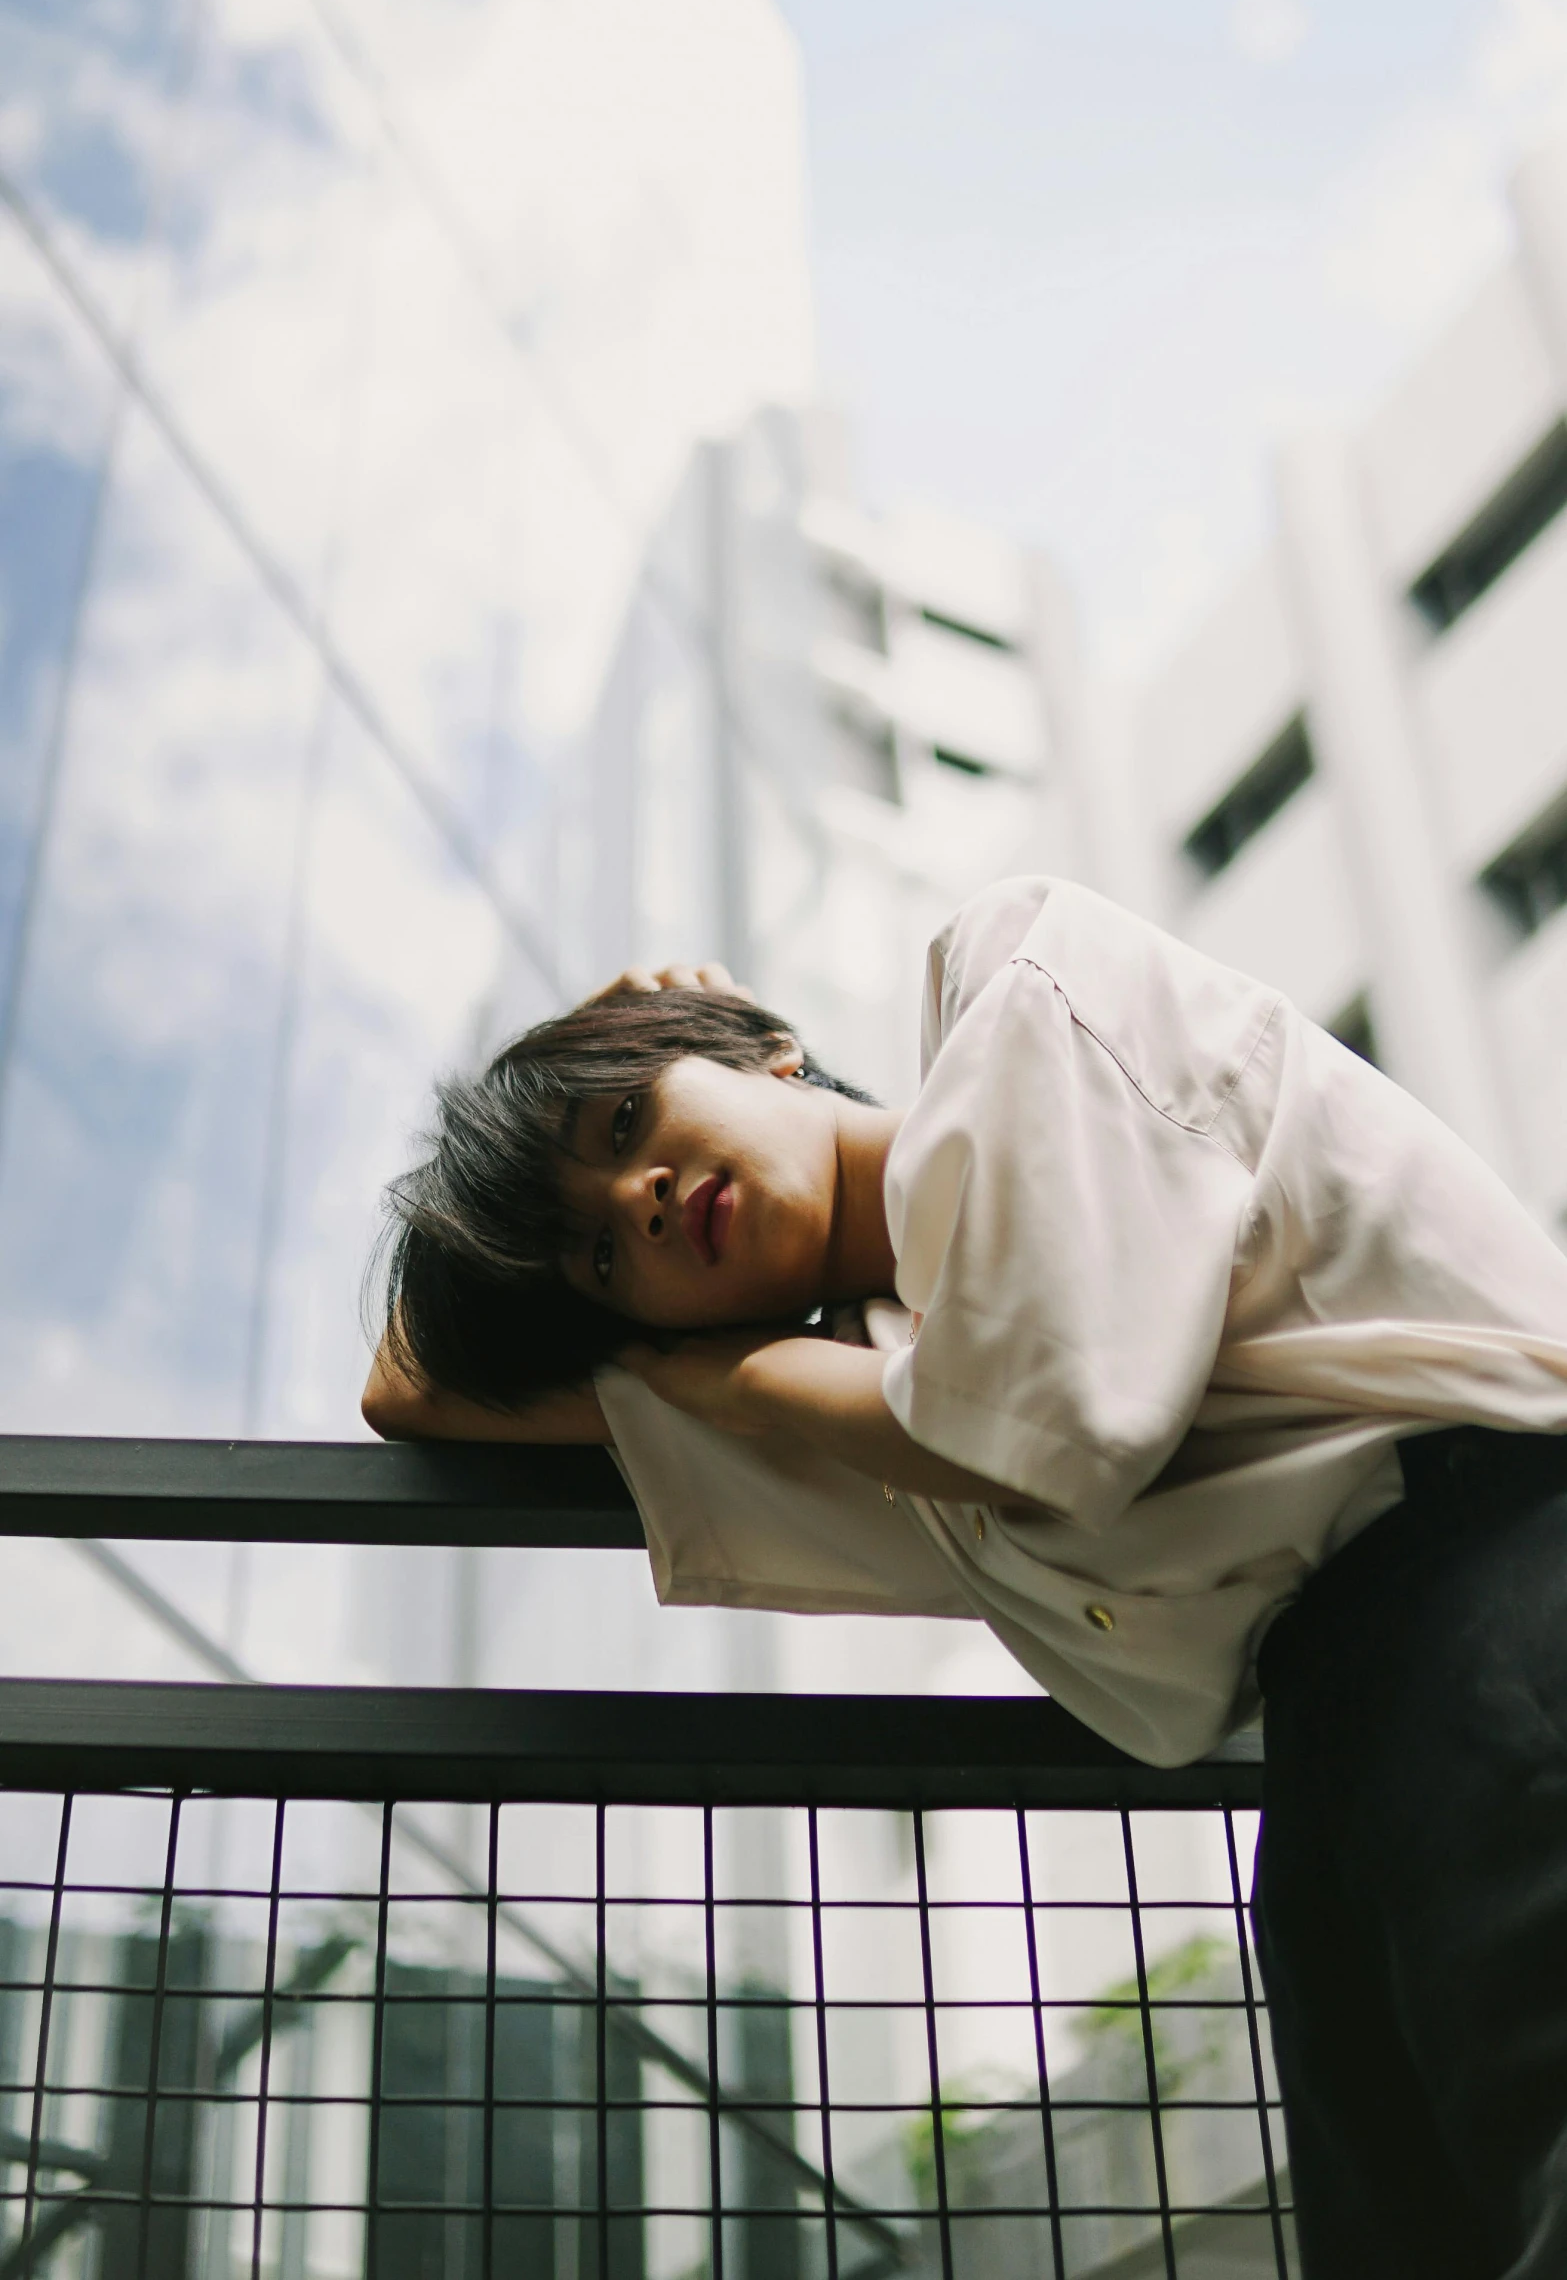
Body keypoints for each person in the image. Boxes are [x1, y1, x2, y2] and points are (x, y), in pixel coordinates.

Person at [365, 872, 1567, 2278]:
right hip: (1327, 1764)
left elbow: (1061, 1413)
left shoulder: (1019, 983)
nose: (639, 1197)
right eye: (597, 1249)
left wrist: (737, 1361)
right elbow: (412, 1386)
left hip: (1498, 1580)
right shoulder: (863, 1387)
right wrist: (680, 1341)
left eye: (628, 1121)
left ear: (764, 1044)